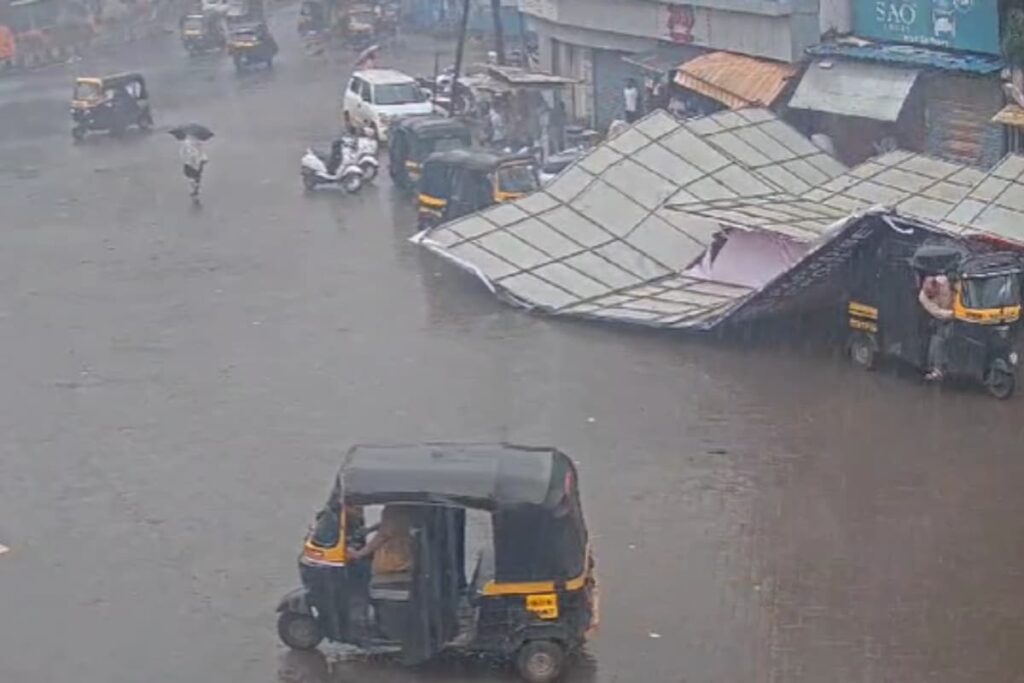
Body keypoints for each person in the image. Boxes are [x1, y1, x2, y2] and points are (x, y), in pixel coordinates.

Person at [347, 504, 412, 582]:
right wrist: (370, 529)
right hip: (405, 555)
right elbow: (389, 523)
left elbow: (384, 535)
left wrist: (359, 553)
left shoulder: (393, 509)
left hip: (391, 561)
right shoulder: (404, 506)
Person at [919, 273, 954, 381]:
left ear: (938, 286)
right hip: (942, 318)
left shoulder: (945, 281)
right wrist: (953, 314)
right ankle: (937, 369)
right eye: (928, 294)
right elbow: (936, 312)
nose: (930, 296)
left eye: (931, 293)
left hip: (956, 308)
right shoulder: (923, 297)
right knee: (939, 340)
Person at [180, 135, 207, 199]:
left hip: (192, 162)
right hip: (197, 162)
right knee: (196, 176)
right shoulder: (198, 142)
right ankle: (196, 186)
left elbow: (183, 152)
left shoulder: (187, 142)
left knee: (192, 175)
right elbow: (201, 152)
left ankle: (195, 186)